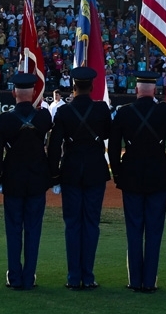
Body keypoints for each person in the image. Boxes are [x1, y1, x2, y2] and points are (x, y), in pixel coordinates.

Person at [47, 67, 111, 291]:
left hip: (71, 172)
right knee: (91, 224)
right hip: (95, 172)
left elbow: (54, 146)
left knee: (72, 225)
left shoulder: (63, 112)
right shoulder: (101, 109)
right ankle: (88, 275)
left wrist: (54, 175)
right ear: (91, 87)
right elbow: (107, 134)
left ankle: (74, 276)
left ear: (73, 87)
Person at [109, 71, 166, 293]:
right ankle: (150, 281)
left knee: (134, 229)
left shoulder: (124, 113)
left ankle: (135, 280)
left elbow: (114, 147)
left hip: (131, 175)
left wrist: (117, 173)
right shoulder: (164, 111)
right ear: (154, 90)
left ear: (136, 90)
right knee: (155, 231)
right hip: (158, 175)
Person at [0, 73, 53, 291]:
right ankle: (29, 276)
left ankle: (14, 276)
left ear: (13, 93)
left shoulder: (5, 119)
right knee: (33, 231)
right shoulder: (44, 117)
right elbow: (53, 148)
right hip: (37, 181)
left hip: (13, 181)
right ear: (35, 93)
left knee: (14, 230)